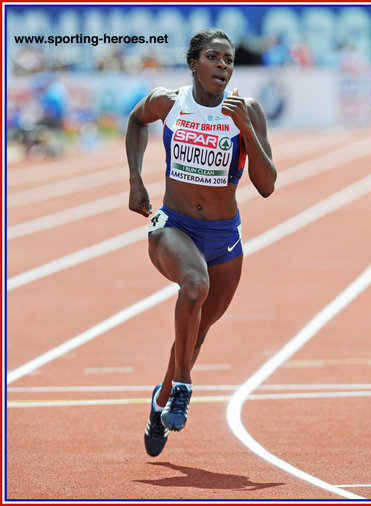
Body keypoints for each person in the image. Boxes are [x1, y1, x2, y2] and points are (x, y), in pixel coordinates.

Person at [125, 28, 277, 457]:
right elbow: (137, 120)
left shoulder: (246, 110)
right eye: (214, 58)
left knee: (196, 334)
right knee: (193, 286)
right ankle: (185, 388)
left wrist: (246, 128)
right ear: (194, 64)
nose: (223, 66)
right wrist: (136, 180)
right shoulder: (169, 102)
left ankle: (160, 400)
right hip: (173, 225)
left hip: (224, 238)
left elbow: (266, 186)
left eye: (228, 61)